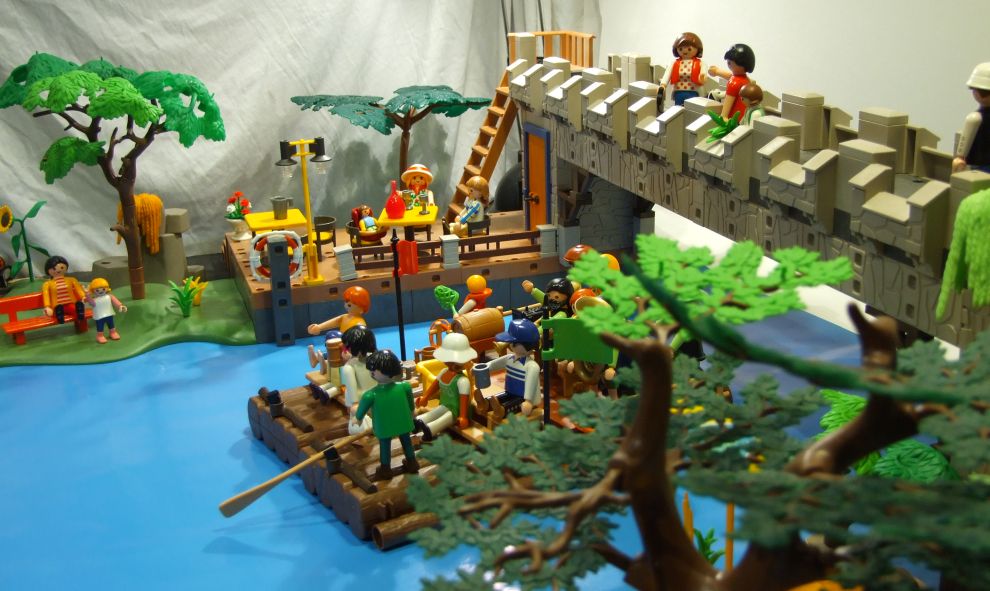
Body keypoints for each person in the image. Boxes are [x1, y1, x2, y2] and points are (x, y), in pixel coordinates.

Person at [354, 349, 419, 480]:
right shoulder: (404, 387)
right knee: (406, 440)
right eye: (371, 370)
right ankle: (412, 462)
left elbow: (360, 411)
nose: (372, 372)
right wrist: (412, 413)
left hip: (384, 426)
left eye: (374, 370)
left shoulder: (370, 394)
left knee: (385, 444)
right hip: (403, 422)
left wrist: (358, 419)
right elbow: (411, 404)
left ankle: (385, 469)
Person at [414, 333, 478, 439]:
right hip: (445, 405)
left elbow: (464, 400)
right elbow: (435, 385)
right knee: (436, 412)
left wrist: (463, 417)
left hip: (455, 412)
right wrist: (426, 397)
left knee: (445, 419)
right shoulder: (444, 372)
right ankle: (420, 421)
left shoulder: (462, 381)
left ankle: (430, 429)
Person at [474, 319, 542, 418]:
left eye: (514, 343)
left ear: (528, 345)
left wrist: (528, 401)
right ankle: (486, 403)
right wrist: (481, 368)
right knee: (498, 398)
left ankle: (501, 410)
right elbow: (493, 365)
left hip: (523, 398)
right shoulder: (509, 359)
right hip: (510, 392)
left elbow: (530, 385)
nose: (511, 345)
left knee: (511, 404)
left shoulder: (531, 366)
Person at [953, 63, 990, 173]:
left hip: (981, 165)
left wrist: (959, 158)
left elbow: (963, 148)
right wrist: (960, 158)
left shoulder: (975, 118)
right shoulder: (976, 118)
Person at [707, 43, 756, 123]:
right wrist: (717, 71)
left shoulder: (733, 83)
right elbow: (731, 76)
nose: (728, 63)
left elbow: (728, 102)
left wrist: (724, 117)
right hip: (743, 117)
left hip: (733, 119)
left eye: (730, 62)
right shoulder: (745, 79)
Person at [659, 32, 706, 108]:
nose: (685, 51)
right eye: (681, 48)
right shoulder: (674, 63)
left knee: (692, 108)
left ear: (698, 49)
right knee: (678, 108)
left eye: (689, 49)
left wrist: (702, 78)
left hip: (694, 91)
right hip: (679, 91)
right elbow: (667, 74)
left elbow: (703, 74)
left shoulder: (700, 63)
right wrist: (663, 85)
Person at [41, 255, 85, 324]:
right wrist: (47, 306)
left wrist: (83, 296)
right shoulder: (47, 284)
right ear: (48, 270)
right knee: (57, 310)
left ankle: (79, 312)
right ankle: (59, 315)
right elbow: (46, 295)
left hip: (70, 303)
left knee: (75, 310)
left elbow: (78, 289)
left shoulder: (72, 280)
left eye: (61, 267)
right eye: (54, 269)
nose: (58, 270)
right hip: (56, 306)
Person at [85, 278, 127, 344]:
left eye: (103, 289)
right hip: (99, 316)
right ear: (93, 291)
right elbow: (91, 303)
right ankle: (100, 336)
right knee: (100, 327)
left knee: (111, 324)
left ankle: (113, 333)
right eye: (97, 290)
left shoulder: (109, 296)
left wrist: (120, 306)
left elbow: (115, 302)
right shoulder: (95, 300)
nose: (100, 291)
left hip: (109, 314)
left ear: (107, 288)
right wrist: (87, 294)